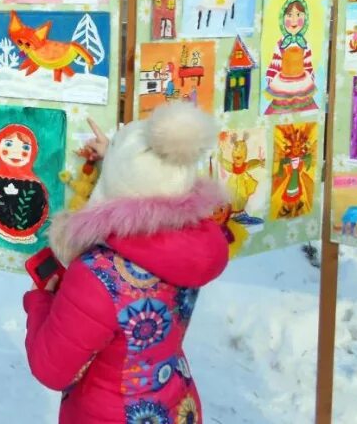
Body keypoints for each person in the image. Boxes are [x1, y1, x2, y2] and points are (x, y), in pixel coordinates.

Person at [23, 103, 229, 424]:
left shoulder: (99, 273)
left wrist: (41, 300)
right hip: (172, 404)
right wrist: (116, 159)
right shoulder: (192, 244)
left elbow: (51, 369)